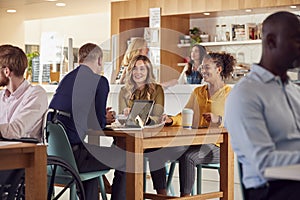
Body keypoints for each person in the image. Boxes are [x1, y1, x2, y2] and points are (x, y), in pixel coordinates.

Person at [225, 11, 300, 200]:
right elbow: (265, 162)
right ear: (271, 42)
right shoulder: (245, 94)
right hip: (272, 190)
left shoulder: (293, 90)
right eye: (297, 39)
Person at [49, 43, 126, 200]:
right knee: (128, 159)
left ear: (80, 60)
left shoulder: (66, 79)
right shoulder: (99, 81)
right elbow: (98, 126)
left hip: (53, 158)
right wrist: (105, 118)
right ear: (99, 60)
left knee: (91, 153)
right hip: (75, 158)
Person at [164, 52, 235, 196]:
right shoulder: (198, 92)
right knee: (158, 151)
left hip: (220, 146)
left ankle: (185, 197)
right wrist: (171, 120)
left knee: (189, 157)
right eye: (202, 67)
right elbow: (185, 114)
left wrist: (219, 120)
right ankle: (160, 193)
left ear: (219, 69)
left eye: (207, 67)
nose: (203, 71)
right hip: (195, 142)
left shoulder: (230, 94)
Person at [0, 44, 48, 196]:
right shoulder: (1, 96)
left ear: (6, 71)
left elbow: (15, 130)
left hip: (21, 161)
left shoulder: (35, 94)